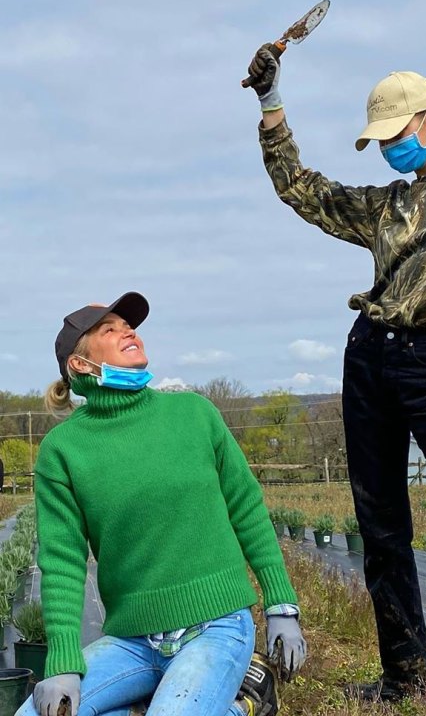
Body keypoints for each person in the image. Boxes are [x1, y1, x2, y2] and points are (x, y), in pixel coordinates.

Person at [245, 44, 426, 715]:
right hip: (369, 356)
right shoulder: (386, 207)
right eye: (378, 142)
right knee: (380, 526)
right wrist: (270, 107)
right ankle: (407, 677)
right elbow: (304, 190)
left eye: (396, 136)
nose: (387, 152)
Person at [18, 292, 306, 716]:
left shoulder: (194, 414)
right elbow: (61, 562)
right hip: (132, 642)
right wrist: (62, 663)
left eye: (128, 325)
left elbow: (246, 508)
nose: (128, 331)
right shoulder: (62, 450)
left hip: (218, 626)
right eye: (109, 329)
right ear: (80, 364)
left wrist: (282, 605)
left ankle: (243, 703)